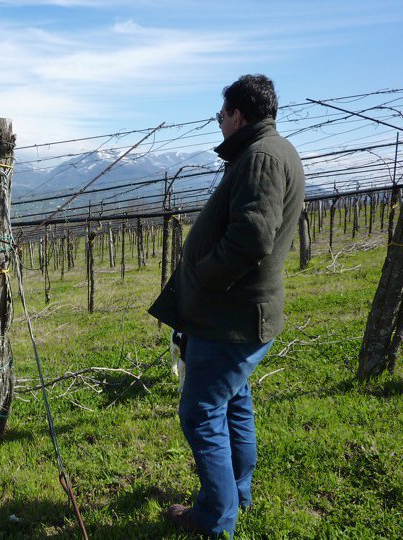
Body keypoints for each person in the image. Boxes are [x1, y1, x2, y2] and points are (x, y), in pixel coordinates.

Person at [148, 74, 305, 538]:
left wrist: (202, 276)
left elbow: (251, 237)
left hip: (229, 317)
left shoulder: (260, 157)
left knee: (200, 413)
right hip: (242, 314)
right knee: (234, 402)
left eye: (220, 115)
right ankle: (238, 492)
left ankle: (214, 519)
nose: (218, 123)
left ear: (237, 114)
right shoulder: (273, 150)